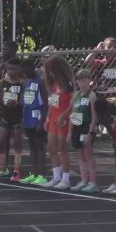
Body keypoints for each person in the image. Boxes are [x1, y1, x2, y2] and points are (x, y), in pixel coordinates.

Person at [0, 58, 24, 182]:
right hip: (6, 116)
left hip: (18, 116)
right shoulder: (3, 82)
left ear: (19, 69)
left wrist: (17, 102)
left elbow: (25, 100)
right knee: (1, 142)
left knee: (17, 143)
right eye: (9, 69)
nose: (11, 71)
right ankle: (2, 169)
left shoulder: (23, 83)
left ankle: (17, 171)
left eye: (14, 69)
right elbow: (1, 98)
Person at [42, 56, 75, 189]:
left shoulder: (69, 84)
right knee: (51, 148)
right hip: (53, 119)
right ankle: (56, 177)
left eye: (51, 71)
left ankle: (66, 179)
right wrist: (48, 118)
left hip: (63, 119)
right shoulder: (53, 84)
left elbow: (73, 103)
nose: (49, 74)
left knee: (62, 149)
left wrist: (64, 115)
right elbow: (51, 103)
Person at [19, 59, 48, 186]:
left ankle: (42, 175)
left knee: (40, 146)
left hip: (38, 115)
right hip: (27, 116)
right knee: (31, 146)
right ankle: (34, 173)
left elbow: (46, 104)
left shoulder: (41, 82)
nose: (23, 73)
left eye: (25, 71)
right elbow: (23, 101)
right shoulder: (26, 81)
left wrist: (42, 122)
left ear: (32, 68)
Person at [69, 69, 98, 193]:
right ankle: (83, 180)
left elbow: (94, 115)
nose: (82, 83)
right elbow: (72, 113)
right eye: (79, 81)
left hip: (86, 127)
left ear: (89, 81)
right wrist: (69, 132)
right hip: (76, 127)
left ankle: (93, 182)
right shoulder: (75, 95)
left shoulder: (92, 95)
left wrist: (91, 132)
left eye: (84, 81)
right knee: (80, 155)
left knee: (88, 154)